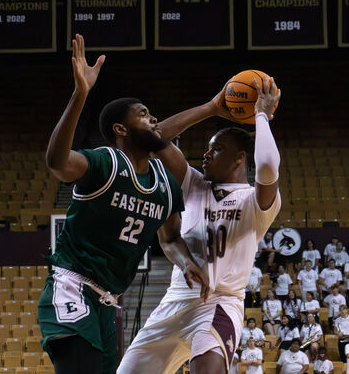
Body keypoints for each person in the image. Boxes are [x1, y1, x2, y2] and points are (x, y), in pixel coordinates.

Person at [41, 35, 208, 374]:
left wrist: (187, 262)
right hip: (73, 286)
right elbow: (57, 162)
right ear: (121, 129)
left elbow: (170, 239)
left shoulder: (164, 183)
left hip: (107, 301)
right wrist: (80, 95)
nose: (153, 118)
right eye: (143, 115)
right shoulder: (105, 163)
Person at [118, 75, 281, 374]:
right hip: (175, 300)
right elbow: (150, 139)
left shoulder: (254, 201)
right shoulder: (192, 183)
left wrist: (261, 116)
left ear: (240, 158)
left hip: (219, 304)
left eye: (216, 149)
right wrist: (210, 108)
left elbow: (269, 167)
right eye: (207, 148)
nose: (205, 154)